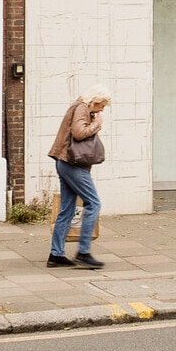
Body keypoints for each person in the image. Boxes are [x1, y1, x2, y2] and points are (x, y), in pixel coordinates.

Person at [46, 90, 110, 269]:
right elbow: (79, 133)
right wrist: (96, 125)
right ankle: (83, 252)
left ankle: (56, 254)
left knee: (67, 209)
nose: (101, 110)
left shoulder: (78, 107)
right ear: (95, 100)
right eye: (101, 105)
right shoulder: (82, 108)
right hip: (72, 164)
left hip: (65, 162)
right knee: (94, 203)